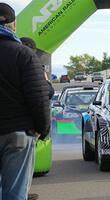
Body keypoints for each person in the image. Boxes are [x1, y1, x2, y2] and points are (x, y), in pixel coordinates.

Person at [0, 3, 50, 200]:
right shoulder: (24, 54)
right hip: (19, 132)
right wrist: (42, 128)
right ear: (13, 25)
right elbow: (38, 96)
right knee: (15, 194)